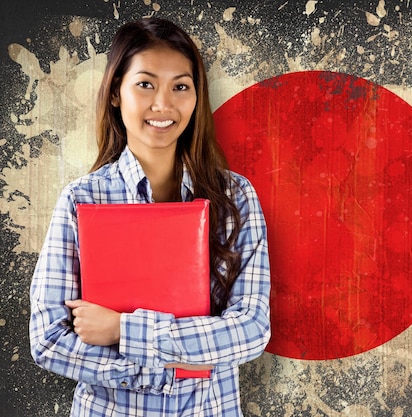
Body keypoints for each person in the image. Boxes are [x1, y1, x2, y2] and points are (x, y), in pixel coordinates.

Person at [29, 17, 271, 416]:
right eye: (145, 84)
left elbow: (250, 330)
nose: (164, 104)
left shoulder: (235, 197)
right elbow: (49, 340)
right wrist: (167, 367)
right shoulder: (82, 200)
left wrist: (123, 330)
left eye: (180, 86)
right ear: (115, 94)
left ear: (197, 98)